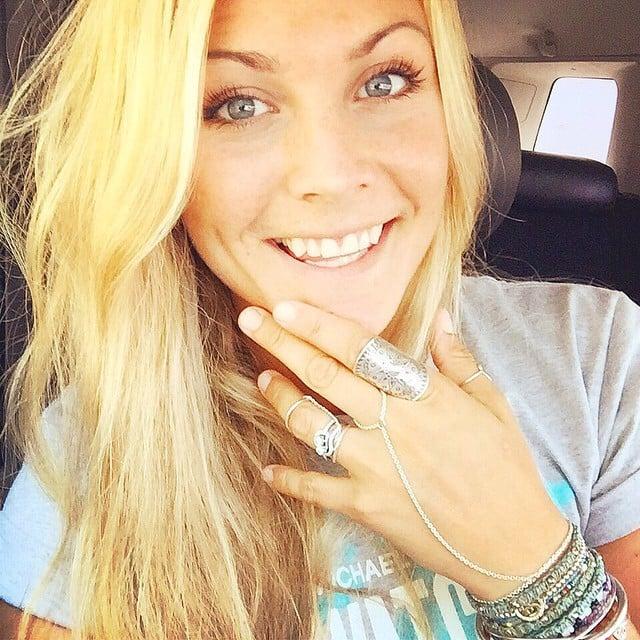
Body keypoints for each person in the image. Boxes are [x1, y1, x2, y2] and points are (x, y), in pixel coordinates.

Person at [0, 0, 638, 638]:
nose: (330, 176)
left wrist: (538, 571)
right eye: (238, 105)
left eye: (384, 83)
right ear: (155, 160)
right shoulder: (85, 459)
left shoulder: (599, 356)